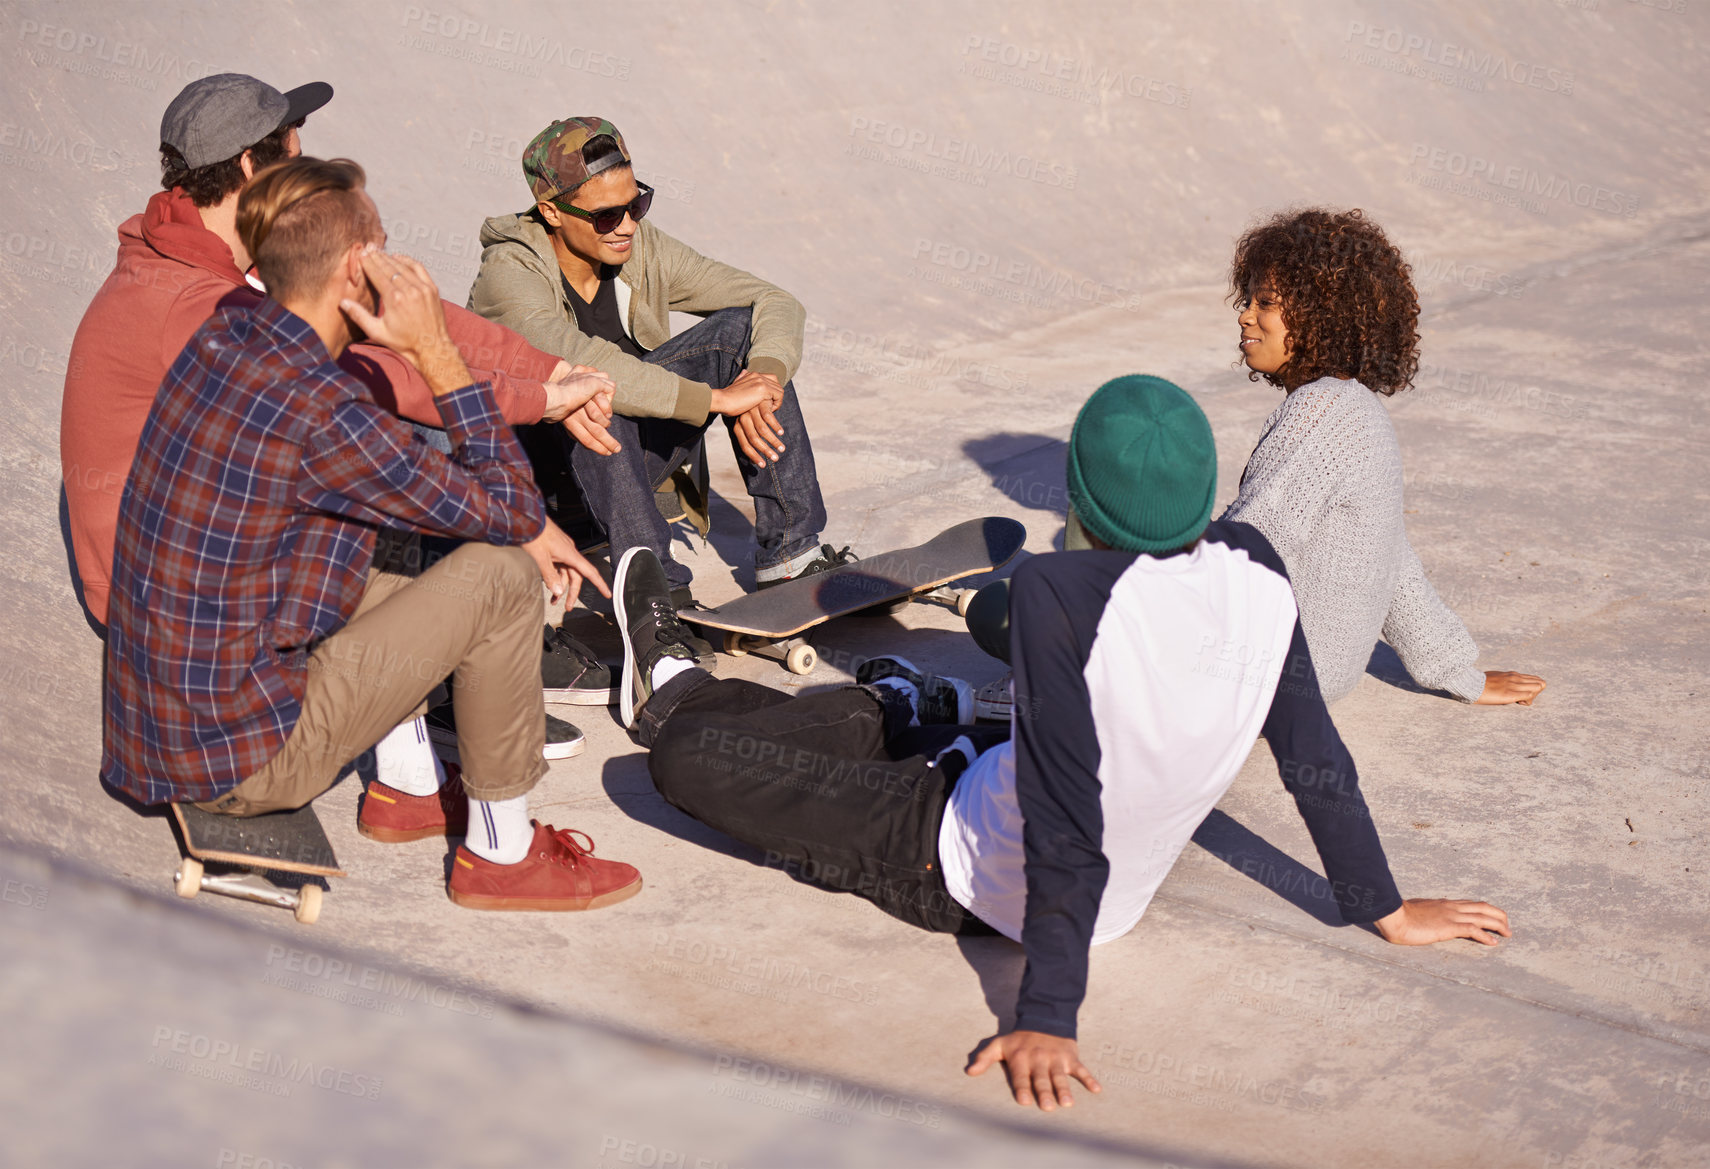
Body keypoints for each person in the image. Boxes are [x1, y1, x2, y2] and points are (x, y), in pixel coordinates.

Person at [612, 375, 1509, 1110]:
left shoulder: (1056, 597)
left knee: (679, 757)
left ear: (1076, 498)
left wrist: (1049, 1013)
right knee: (870, 726)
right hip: (1020, 798)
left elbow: (1067, 825)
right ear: (1205, 492)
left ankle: (777, 699)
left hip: (940, 855)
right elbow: (1317, 759)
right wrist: (1381, 905)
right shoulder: (1261, 573)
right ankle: (900, 712)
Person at [101, 156, 641, 911]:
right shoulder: (322, 410)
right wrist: (436, 354)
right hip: (239, 762)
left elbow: (406, 494)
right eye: (385, 246)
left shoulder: (231, 331)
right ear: (357, 267)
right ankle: (501, 856)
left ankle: (409, 788)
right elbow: (511, 512)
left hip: (160, 726)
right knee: (503, 578)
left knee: (415, 537)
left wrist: (510, 515)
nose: (402, 264)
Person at [60, 73, 622, 719]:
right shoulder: (189, 303)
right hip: (175, 606)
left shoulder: (239, 252)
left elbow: (413, 311)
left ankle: (442, 661)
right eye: (295, 158)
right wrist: (539, 403)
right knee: (398, 426)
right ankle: (445, 679)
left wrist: (553, 371)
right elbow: (370, 384)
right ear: (251, 164)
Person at [467, 116, 848, 622]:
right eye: (606, 216)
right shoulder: (510, 275)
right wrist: (716, 401)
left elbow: (770, 300)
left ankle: (792, 553)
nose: (626, 225)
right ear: (551, 213)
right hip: (545, 494)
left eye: (636, 203)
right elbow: (586, 364)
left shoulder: (636, 246)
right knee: (594, 390)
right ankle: (655, 597)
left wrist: (764, 377)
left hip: (630, 474)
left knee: (740, 333)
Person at [1221, 207, 1547, 707]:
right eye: (1247, 299)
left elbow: (1248, 551)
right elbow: (1387, 553)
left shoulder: (1319, 414)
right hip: (1319, 671)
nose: (1245, 314)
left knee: (1092, 564)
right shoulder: (1353, 408)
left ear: (1321, 317)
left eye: (1265, 303)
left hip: (1268, 670)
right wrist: (1457, 672)